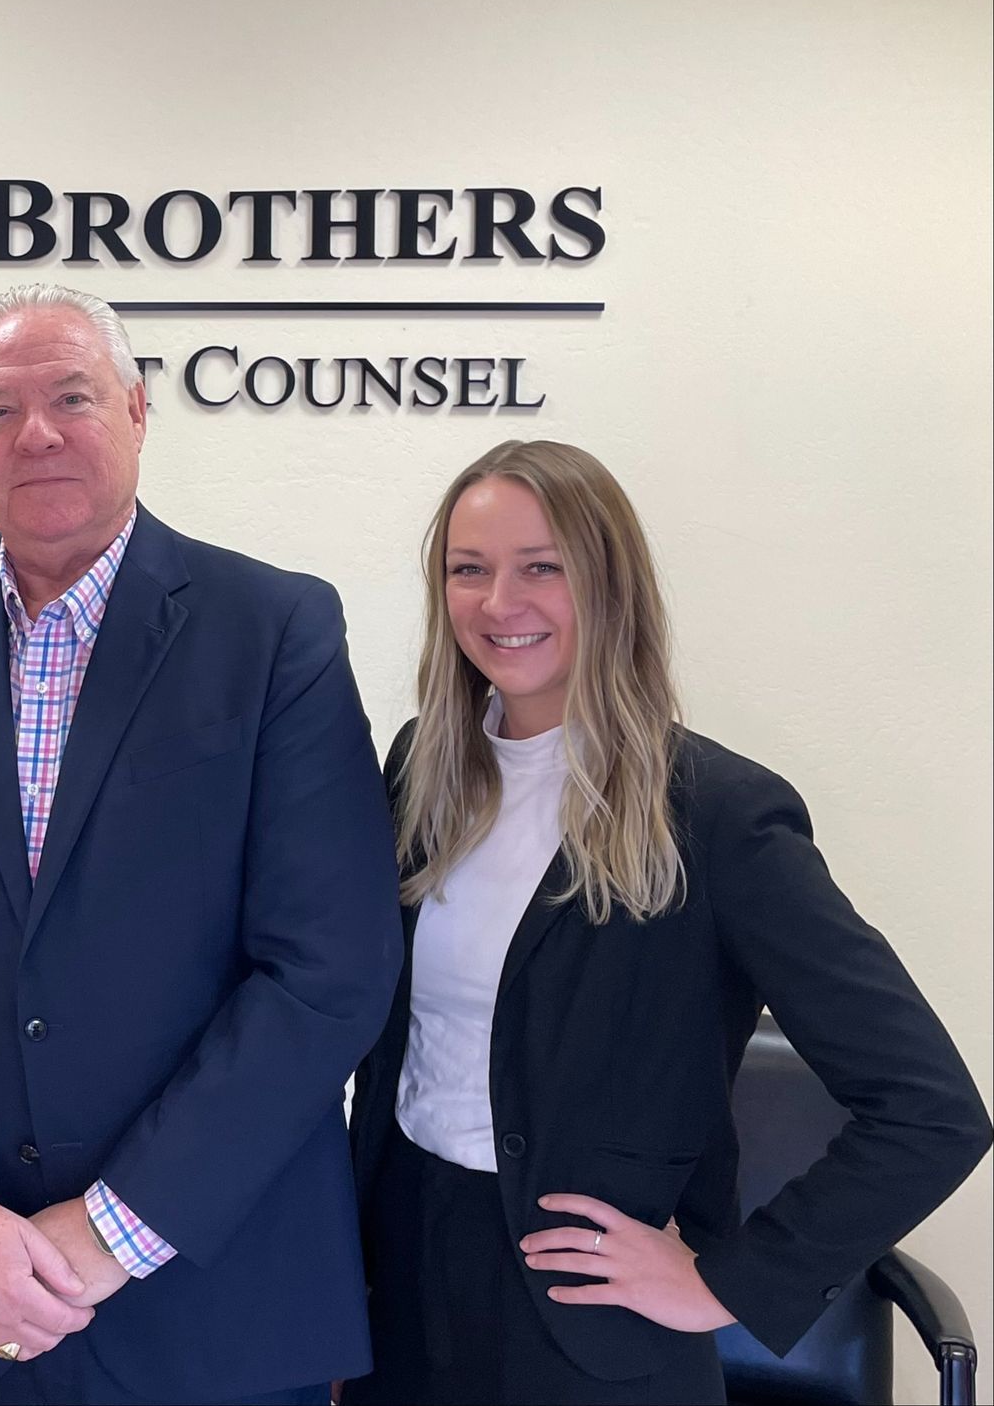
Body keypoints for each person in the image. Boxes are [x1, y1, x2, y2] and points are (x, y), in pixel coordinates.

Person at [0, 284, 402, 1406]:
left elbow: (329, 967)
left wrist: (118, 1227)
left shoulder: (274, 631)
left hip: (209, 1307)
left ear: (136, 410)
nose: (37, 434)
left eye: (71, 396)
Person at [346, 439, 993, 1405]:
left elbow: (931, 1108)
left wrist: (726, 1283)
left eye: (542, 568)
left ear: (610, 588)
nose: (497, 602)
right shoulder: (424, 771)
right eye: (468, 570)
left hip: (591, 1326)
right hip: (399, 1274)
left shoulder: (717, 813)